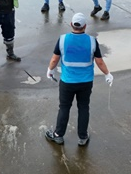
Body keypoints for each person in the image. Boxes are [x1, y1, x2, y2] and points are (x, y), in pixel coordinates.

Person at [45, 13, 113, 146]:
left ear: (71, 24)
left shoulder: (63, 39)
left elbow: (54, 59)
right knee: (83, 107)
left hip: (67, 82)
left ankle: (58, 135)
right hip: (85, 82)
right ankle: (82, 137)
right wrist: (107, 74)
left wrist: (50, 70)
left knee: (64, 107)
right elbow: (99, 62)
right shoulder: (92, 41)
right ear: (85, 26)